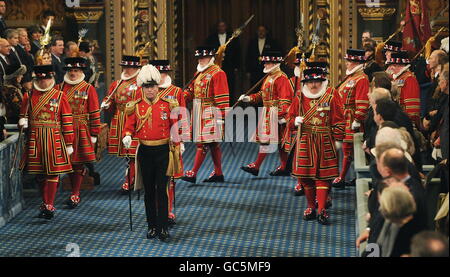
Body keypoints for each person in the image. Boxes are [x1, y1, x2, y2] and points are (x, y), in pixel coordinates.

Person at [122, 64, 181, 242]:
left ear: (158, 87)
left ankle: (163, 227)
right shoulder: (136, 106)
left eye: (153, 87)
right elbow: (128, 127)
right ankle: (152, 226)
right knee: (148, 191)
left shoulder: (168, 105)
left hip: (163, 151)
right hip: (145, 152)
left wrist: (178, 143)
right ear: (142, 88)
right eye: (147, 87)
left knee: (161, 190)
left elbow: (175, 128)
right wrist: (127, 136)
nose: (150, 90)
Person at [287, 67, 344, 225]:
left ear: (323, 81)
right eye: (310, 82)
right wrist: (294, 121)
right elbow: (289, 118)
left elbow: (339, 119)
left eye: (317, 82)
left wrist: (338, 139)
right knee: (305, 177)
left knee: (323, 177)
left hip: (325, 140)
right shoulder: (299, 96)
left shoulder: (332, 94)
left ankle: (321, 210)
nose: (313, 85)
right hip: (304, 139)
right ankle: (311, 206)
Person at [18, 64, 74, 220]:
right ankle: (45, 202)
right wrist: (23, 121)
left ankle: (49, 204)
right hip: (35, 138)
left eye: (47, 78)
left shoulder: (60, 96)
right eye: (41, 79)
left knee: (53, 172)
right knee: (40, 173)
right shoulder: (28, 96)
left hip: (53, 137)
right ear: (37, 79)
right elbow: (23, 116)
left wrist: (69, 142)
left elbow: (67, 121)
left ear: (52, 78)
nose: (44, 82)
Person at [239, 50, 292, 177]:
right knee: (279, 142)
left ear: (274, 63)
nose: (264, 65)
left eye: (267, 63)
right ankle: (284, 167)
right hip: (267, 112)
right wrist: (249, 98)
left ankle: (256, 166)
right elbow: (262, 95)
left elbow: (286, 99)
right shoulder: (268, 77)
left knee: (266, 140)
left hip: (276, 114)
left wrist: (281, 115)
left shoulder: (281, 78)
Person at [181, 45, 230, 183]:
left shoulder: (218, 73)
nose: (200, 60)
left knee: (202, 143)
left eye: (203, 57)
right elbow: (191, 91)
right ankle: (218, 173)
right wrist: (181, 96)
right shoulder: (199, 73)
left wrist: (221, 117)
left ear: (211, 58)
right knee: (213, 144)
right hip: (198, 110)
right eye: (199, 58)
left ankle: (193, 173)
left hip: (211, 112)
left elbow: (222, 97)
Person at [150, 59, 188, 226]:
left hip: (171, 141)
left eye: (163, 73)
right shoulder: (147, 91)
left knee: (169, 178)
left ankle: (168, 210)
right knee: (153, 179)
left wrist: (182, 139)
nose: (160, 77)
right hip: (151, 141)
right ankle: (156, 210)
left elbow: (182, 116)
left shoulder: (176, 91)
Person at [60, 57, 101, 208]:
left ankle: (75, 193)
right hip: (62, 129)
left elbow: (95, 111)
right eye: (70, 70)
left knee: (77, 163)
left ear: (81, 71)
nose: (73, 73)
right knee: (64, 162)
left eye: (76, 70)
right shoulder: (59, 87)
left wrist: (94, 133)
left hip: (80, 129)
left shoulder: (88, 88)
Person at [101, 55, 142, 193]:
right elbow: (111, 97)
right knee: (127, 152)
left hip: (133, 118)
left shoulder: (140, 83)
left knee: (132, 152)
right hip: (119, 118)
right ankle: (131, 176)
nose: (127, 69)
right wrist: (107, 103)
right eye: (125, 67)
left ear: (136, 68)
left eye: (130, 67)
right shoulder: (117, 83)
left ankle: (130, 179)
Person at [333, 49, 370, 189]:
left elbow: (362, 102)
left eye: (349, 61)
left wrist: (358, 119)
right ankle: (341, 175)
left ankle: (342, 177)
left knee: (348, 148)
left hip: (352, 118)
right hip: (343, 117)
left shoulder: (362, 79)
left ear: (356, 62)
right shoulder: (351, 77)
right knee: (345, 148)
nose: (346, 64)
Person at [205, 21, 240, 104]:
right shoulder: (211, 38)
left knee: (230, 87)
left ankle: (230, 106)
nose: (221, 28)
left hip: (230, 67)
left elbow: (237, 52)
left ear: (226, 27)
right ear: (217, 27)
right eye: (220, 26)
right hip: (216, 66)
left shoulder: (232, 38)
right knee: (216, 87)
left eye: (223, 26)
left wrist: (237, 67)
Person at [387, 51, 421, 127]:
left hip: (404, 121)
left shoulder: (409, 78)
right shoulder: (396, 78)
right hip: (396, 118)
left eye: (393, 65)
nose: (391, 68)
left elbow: (412, 105)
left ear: (400, 65)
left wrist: (411, 121)